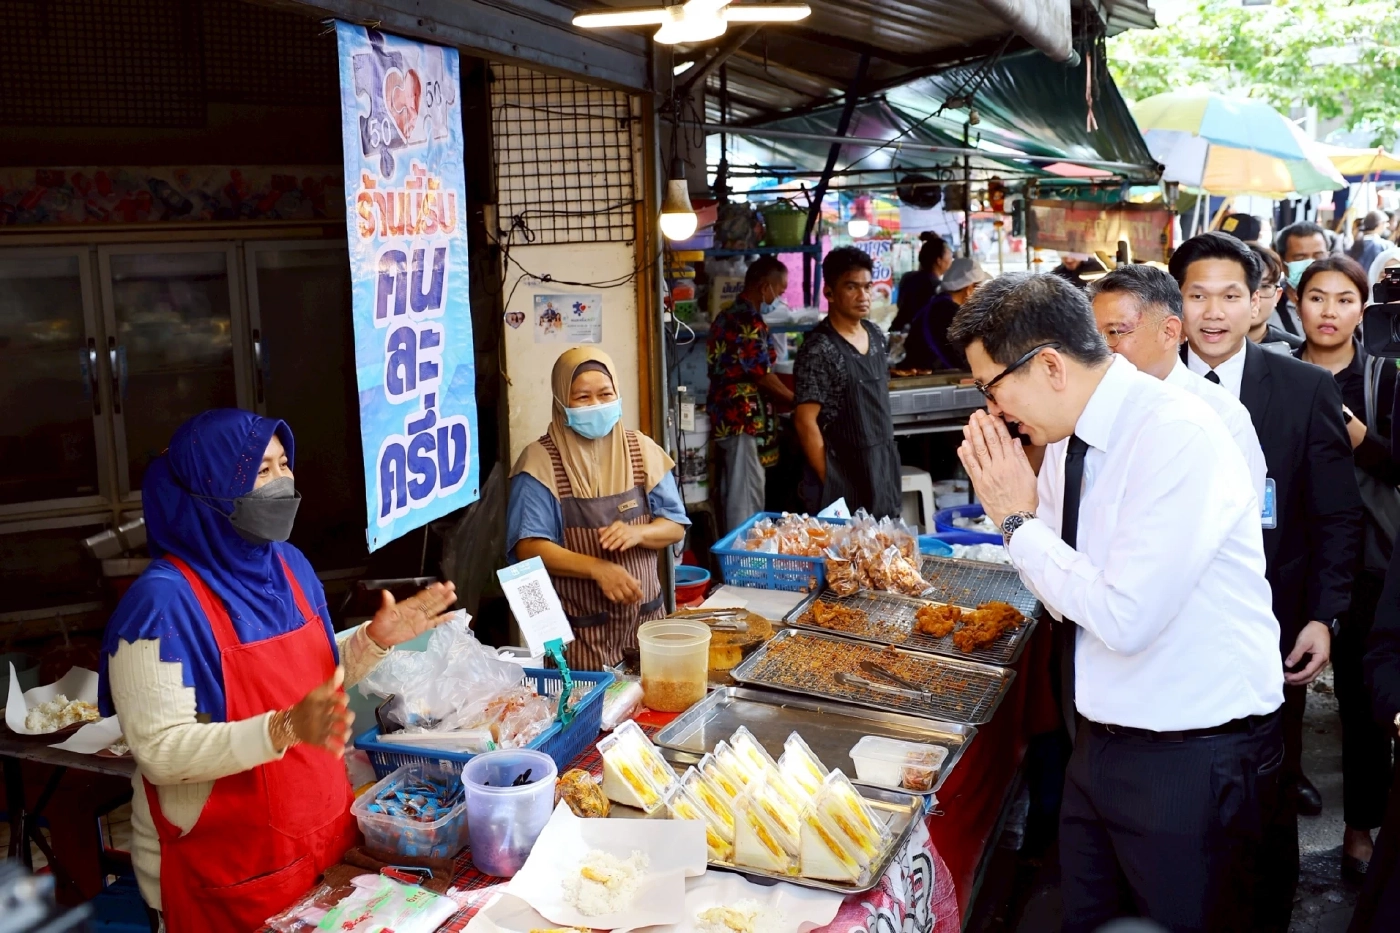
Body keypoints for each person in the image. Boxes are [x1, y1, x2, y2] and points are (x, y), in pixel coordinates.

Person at [948, 272, 1284, 932]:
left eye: (993, 388)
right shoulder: (1068, 438)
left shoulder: (1176, 433)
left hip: (1191, 754)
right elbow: (1060, 586)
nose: (993, 410)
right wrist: (1022, 524)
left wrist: (1018, 523)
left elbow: (1124, 615)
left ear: (1048, 364)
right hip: (1101, 738)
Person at [98, 409, 459, 931]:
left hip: (323, 847)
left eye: (284, 464)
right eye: (260, 471)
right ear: (210, 487)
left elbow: (312, 683)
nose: (282, 482)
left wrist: (372, 641)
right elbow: (161, 753)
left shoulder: (289, 565)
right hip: (225, 871)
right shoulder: (161, 604)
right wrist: (282, 729)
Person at [1172, 232, 1363, 930]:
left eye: (1231, 295)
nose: (1214, 312)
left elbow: (1337, 516)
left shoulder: (1304, 388)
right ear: (1176, 303)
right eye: (1197, 295)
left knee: (1270, 787)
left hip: (1274, 631)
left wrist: (1324, 616)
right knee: (1184, 791)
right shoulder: (1153, 388)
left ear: (1261, 301)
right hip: (1171, 629)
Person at [1294, 256, 1400, 883]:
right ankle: (1282, 798)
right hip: (1287, 558)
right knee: (1274, 694)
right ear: (1295, 304)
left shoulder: (1385, 379)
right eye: (1316, 297)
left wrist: (1356, 434)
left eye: (1343, 299)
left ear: (1363, 309)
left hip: (1368, 563)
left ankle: (1360, 829)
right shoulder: (1272, 372)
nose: (1329, 312)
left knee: (1363, 704)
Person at [508, 348, 689, 669]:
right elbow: (527, 548)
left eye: (606, 394)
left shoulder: (642, 449)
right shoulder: (538, 462)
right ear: (562, 402)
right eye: (582, 397)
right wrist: (597, 568)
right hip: (580, 634)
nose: (597, 405)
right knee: (588, 712)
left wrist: (639, 533)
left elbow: (674, 525)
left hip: (645, 623)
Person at [1086, 264, 1266, 505]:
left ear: (1169, 332)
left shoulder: (1223, 414)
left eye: (1115, 332)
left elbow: (1236, 513)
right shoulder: (1089, 408)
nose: (1102, 348)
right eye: (1093, 336)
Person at [793, 246, 901, 518]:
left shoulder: (877, 336)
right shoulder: (819, 348)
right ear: (829, 292)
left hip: (882, 468)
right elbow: (805, 421)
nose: (863, 296)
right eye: (852, 287)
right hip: (842, 473)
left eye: (867, 287)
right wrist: (831, 479)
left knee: (885, 552)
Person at [706, 256, 796, 533]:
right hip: (742, 418)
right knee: (745, 493)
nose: (778, 299)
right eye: (778, 292)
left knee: (734, 488)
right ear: (764, 286)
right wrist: (795, 401)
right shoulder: (749, 321)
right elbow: (760, 373)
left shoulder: (726, 314)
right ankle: (745, 560)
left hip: (729, 414)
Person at [902, 257, 989, 371]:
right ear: (968, 289)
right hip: (932, 380)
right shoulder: (953, 315)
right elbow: (967, 359)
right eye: (979, 289)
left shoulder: (935, 305)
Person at [1245, 242, 1304, 354]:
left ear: (1277, 295)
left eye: (1264, 286)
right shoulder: (1204, 348)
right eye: (1244, 286)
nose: (1254, 296)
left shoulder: (1298, 351)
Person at [1276, 220, 1332, 335]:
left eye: (1319, 256)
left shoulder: (1348, 304)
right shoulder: (1268, 308)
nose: (1311, 264)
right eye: (1300, 258)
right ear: (1282, 263)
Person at [891, 231, 954, 333]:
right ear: (939, 261)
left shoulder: (907, 277)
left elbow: (900, 305)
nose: (951, 260)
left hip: (899, 330)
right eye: (950, 256)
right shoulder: (938, 288)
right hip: (919, 338)